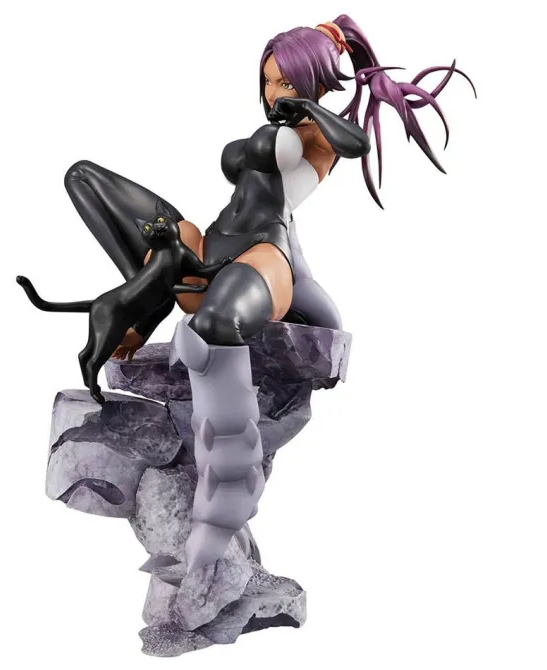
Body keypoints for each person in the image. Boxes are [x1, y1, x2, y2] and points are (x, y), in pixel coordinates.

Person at [63, 15, 474, 570]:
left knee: (214, 329)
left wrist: (306, 107)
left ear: (316, 84)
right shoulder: (276, 126)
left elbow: (353, 144)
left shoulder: (319, 136)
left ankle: (220, 513)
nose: (274, 93)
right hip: (206, 249)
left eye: (287, 82)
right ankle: (141, 311)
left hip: (262, 257)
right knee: (84, 178)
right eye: (268, 81)